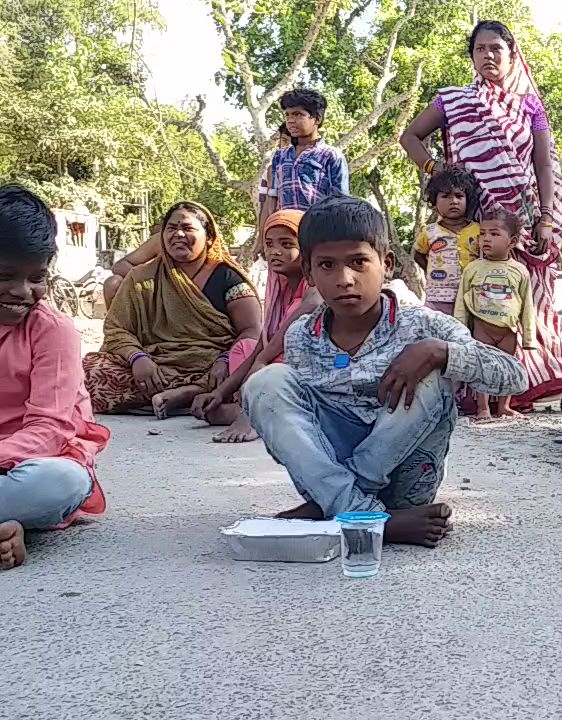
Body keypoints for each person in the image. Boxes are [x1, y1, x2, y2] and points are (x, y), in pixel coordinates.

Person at [241, 196, 528, 547]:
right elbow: (295, 429)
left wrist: (438, 351)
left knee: (432, 375)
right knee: (266, 383)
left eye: (359, 262)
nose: (345, 279)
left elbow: (514, 375)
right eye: (327, 265)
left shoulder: (422, 325)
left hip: (406, 485)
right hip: (337, 481)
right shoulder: (302, 335)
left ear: (386, 264)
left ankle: (339, 509)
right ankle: (366, 517)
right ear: (310, 274)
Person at [400, 20, 562, 417]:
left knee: (534, 301)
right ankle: (484, 392)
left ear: (512, 55)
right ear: (472, 56)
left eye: (496, 49)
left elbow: (543, 163)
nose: (488, 56)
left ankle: (548, 385)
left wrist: (547, 217)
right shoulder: (452, 101)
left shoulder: (529, 106)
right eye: (480, 49)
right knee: (482, 303)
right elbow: (410, 137)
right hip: (478, 223)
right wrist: (439, 171)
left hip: (525, 219)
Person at [0, 185, 110, 570]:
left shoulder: (53, 329)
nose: (22, 291)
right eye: (6, 276)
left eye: (36, 278)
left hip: (34, 463)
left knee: (62, 481)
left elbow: (50, 428)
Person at [82, 202, 262, 417]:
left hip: (211, 364)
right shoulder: (142, 277)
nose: (178, 234)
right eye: (171, 228)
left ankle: (189, 394)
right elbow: (116, 329)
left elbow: (252, 330)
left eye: (187, 228)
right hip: (155, 363)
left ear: (209, 237)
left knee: (247, 373)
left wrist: (224, 361)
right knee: (89, 370)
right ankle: (185, 396)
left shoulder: (227, 278)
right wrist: (138, 358)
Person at [191, 210, 321, 443]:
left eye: (287, 244)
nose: (275, 251)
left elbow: (274, 349)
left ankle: (254, 414)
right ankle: (260, 409)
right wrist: (221, 392)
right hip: (272, 367)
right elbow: (261, 347)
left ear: (307, 249)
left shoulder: (313, 289)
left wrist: (259, 370)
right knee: (244, 348)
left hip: (303, 369)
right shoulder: (277, 288)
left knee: (273, 366)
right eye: (269, 244)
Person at [455, 209, 538, 421]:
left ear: (512, 241)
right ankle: (483, 407)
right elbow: (461, 302)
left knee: (507, 368)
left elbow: (527, 306)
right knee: (482, 368)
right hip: (482, 329)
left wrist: (529, 337)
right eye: (482, 234)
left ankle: (504, 406)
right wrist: (459, 330)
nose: (486, 239)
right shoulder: (473, 268)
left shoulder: (520, 271)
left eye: (494, 234)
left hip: (508, 331)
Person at [262, 88, 349, 218]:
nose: (291, 120)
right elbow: (272, 198)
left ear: (317, 119)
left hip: (316, 231)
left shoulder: (330, 155)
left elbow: (341, 203)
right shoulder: (280, 156)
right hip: (285, 231)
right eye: (287, 115)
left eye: (297, 114)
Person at [414, 165, 482, 315]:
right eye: (446, 196)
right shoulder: (429, 232)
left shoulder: (478, 230)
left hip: (470, 298)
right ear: (434, 201)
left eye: (459, 196)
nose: (454, 201)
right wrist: (432, 272)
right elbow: (418, 254)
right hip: (437, 299)